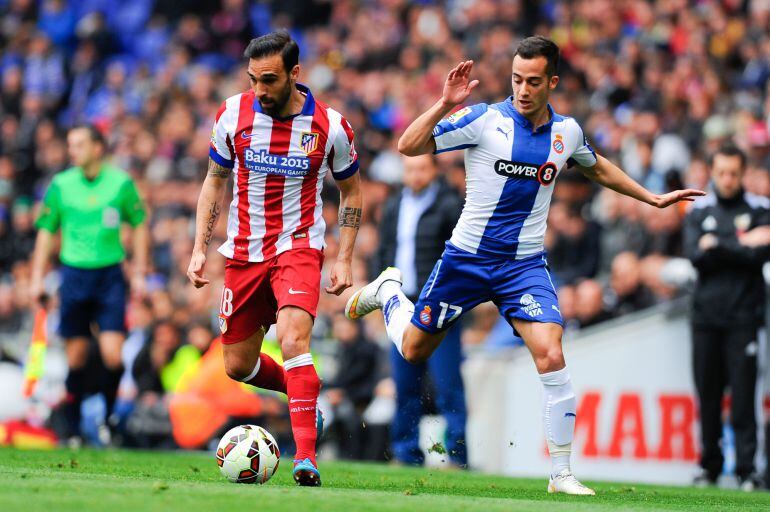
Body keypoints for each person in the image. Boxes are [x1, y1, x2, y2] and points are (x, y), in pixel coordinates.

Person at [346, 36, 703, 495]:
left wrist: (651, 198)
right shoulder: (484, 119)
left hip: (523, 266)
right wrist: (443, 103)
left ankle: (561, 473)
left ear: (551, 81)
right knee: (414, 350)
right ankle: (389, 293)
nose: (523, 89)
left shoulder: (566, 133)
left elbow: (596, 167)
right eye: (517, 79)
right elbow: (408, 146)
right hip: (467, 259)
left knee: (552, 352)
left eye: (533, 81)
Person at [186, 30, 361, 486]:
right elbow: (213, 180)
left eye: (268, 79)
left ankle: (306, 457)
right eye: (252, 80)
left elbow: (352, 190)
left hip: (298, 246)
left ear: (294, 74)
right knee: (237, 366)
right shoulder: (232, 114)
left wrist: (343, 258)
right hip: (243, 251)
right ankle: (303, 393)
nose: (259, 90)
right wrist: (199, 249)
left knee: (293, 340)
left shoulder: (330, 126)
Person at [30, 123, 148, 444]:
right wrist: (37, 278)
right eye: (70, 144)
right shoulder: (61, 185)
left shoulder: (121, 184)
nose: (72, 151)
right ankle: (71, 425)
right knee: (76, 357)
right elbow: (45, 231)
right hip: (74, 274)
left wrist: (138, 270)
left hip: (109, 275)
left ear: (98, 148)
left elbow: (139, 224)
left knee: (113, 355)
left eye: (78, 144)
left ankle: (108, 418)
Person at [684, 144, 770, 491]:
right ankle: (710, 466)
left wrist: (716, 244)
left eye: (734, 173)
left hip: (744, 318)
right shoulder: (697, 209)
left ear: (743, 173)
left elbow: (759, 256)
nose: (727, 179)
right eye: (721, 172)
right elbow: (694, 255)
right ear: (712, 172)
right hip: (705, 318)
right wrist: (740, 242)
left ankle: (748, 470)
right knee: (707, 395)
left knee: (744, 397)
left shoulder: (761, 209)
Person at [374, 153, 467, 466]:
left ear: (433, 170)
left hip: (438, 304)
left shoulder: (450, 205)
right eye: (410, 169)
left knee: (447, 384)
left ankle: (456, 455)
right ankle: (405, 452)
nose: (415, 175)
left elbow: (460, 257)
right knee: (404, 385)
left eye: (421, 168)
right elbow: (383, 252)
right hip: (402, 303)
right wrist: (383, 293)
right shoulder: (393, 206)